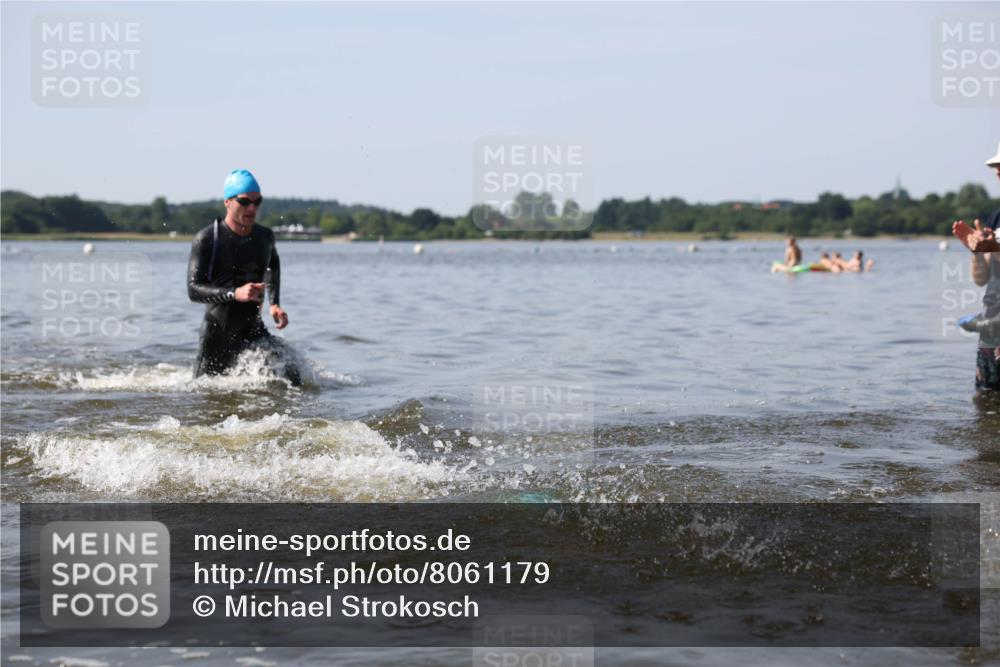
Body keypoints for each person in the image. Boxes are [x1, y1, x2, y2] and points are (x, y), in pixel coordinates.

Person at [187, 169, 301, 386]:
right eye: (245, 201)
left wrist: (275, 303)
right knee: (204, 392)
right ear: (228, 202)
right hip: (217, 334)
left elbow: (272, 264)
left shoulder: (264, 237)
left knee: (292, 377)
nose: (252, 208)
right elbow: (193, 289)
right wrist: (235, 293)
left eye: (257, 202)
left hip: (253, 330)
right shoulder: (207, 239)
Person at [952, 142, 1000, 391]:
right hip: (992, 328)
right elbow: (981, 279)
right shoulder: (996, 216)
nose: (997, 171)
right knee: (985, 406)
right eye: (996, 166)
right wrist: (978, 252)